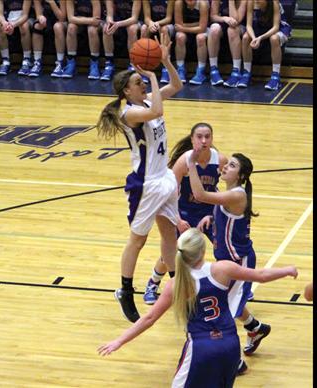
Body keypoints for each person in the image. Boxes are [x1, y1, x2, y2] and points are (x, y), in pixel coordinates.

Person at [98, 227, 298, 388]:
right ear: (203, 251)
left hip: (201, 347)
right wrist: (286, 270)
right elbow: (261, 275)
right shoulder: (223, 268)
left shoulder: (175, 284)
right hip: (230, 344)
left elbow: (149, 319)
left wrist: (119, 341)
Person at [96, 32, 183, 323]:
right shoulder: (130, 113)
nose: (142, 82)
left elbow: (178, 85)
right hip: (146, 184)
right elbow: (158, 108)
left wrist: (166, 62)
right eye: (137, 82)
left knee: (170, 234)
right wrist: (153, 75)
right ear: (126, 92)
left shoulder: (144, 101)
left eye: (141, 79)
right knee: (138, 240)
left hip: (165, 178)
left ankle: (178, 285)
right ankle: (125, 289)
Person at [187, 144, 275, 370]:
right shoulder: (228, 193)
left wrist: (191, 164)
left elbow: (199, 195)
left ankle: (236, 362)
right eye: (227, 163)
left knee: (223, 309)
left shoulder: (237, 194)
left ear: (241, 176)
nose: (226, 166)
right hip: (226, 259)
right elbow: (220, 208)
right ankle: (255, 328)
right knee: (229, 302)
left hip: (239, 261)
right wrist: (211, 217)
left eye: (232, 165)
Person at [143, 122, 228, 306]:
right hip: (184, 211)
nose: (204, 140)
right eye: (199, 136)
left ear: (212, 139)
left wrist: (222, 213)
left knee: (222, 246)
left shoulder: (220, 160)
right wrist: (178, 220)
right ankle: (153, 282)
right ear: (192, 139)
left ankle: (230, 285)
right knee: (175, 253)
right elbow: (169, 193)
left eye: (207, 136)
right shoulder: (184, 161)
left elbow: (226, 188)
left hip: (208, 212)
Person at [237, 0, 292, 90]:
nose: (257, 0)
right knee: (246, 37)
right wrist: (254, 38)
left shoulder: (274, 3)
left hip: (280, 28)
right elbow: (249, 26)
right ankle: (246, 73)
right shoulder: (251, 2)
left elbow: (275, 27)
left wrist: (260, 38)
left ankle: (276, 76)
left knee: (274, 39)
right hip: (260, 26)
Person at [207, 0, 247, 87]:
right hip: (224, 23)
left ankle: (236, 71)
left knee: (232, 30)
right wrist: (224, 18)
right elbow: (213, 16)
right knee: (214, 29)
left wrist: (231, 1)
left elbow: (236, 20)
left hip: (240, 26)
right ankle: (213, 70)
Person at [100, 0, 142, 81]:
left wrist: (118, 24)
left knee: (132, 29)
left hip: (133, 22)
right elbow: (109, 15)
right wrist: (110, 22)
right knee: (106, 28)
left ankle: (133, 63)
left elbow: (134, 18)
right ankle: (109, 63)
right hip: (117, 21)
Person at [64, 0, 103, 78]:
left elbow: (96, 21)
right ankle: (71, 63)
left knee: (92, 30)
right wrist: (88, 20)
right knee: (71, 27)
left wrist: (79, 19)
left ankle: (94, 64)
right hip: (81, 22)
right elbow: (70, 19)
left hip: (93, 24)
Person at [174, 0, 210, 84]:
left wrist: (184, 27)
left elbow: (202, 28)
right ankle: (180, 69)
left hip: (201, 30)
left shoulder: (202, 4)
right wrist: (197, 24)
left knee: (200, 38)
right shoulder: (178, 3)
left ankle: (201, 71)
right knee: (180, 37)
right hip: (188, 30)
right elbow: (177, 25)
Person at [29, 0, 67, 77]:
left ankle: (60, 62)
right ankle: (37, 61)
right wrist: (40, 17)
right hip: (47, 19)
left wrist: (52, 2)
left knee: (57, 27)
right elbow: (38, 14)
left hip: (61, 21)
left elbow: (62, 18)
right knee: (37, 26)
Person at [141, 0, 176, 84]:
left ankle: (166, 67)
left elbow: (168, 18)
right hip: (152, 23)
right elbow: (146, 18)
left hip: (166, 24)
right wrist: (150, 23)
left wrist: (157, 24)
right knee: (144, 29)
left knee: (163, 30)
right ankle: (145, 65)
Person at [0, 0, 33, 76]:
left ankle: (27, 60)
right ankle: (5, 61)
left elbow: (25, 15)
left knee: (24, 27)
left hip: (25, 17)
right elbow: (0, 15)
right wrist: (5, 24)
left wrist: (13, 25)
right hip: (9, 17)